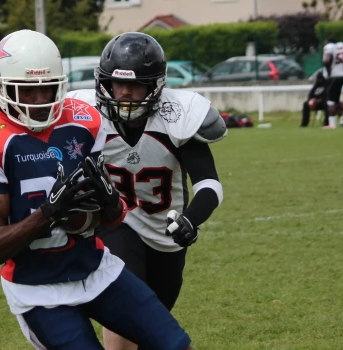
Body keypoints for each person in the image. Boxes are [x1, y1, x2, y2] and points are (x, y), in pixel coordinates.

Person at [0, 30, 194, 350]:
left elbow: (109, 219)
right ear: (2, 87)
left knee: (177, 346)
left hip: (97, 270)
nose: (40, 101)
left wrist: (109, 203)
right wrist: (49, 212)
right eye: (27, 91)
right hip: (38, 290)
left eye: (48, 88)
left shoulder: (84, 121)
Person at [66, 32, 227, 350]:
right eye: (117, 83)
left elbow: (209, 184)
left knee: (151, 331)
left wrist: (191, 220)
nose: (124, 92)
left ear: (155, 85)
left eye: (135, 84)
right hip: (115, 223)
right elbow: (47, 164)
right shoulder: (86, 116)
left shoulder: (178, 116)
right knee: (126, 309)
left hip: (166, 237)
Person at [322, 38, 343, 129]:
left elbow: (327, 60)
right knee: (336, 101)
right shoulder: (341, 47)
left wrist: (329, 71)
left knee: (330, 102)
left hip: (333, 77)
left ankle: (332, 124)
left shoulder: (329, 47)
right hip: (342, 76)